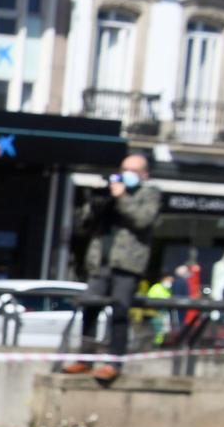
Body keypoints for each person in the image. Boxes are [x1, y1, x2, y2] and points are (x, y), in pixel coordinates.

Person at [64, 154, 161, 383]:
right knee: (89, 307)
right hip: (101, 263)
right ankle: (84, 359)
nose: (127, 174)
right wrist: (99, 200)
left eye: (133, 170)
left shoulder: (149, 195)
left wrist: (122, 197)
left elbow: (143, 220)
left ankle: (113, 362)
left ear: (144, 174)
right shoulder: (111, 191)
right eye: (125, 169)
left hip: (127, 265)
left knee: (119, 312)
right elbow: (86, 223)